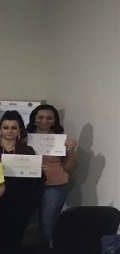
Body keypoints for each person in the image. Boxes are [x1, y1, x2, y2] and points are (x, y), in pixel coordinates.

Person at [0, 111, 42, 254]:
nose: (9, 131)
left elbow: (35, 179)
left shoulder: (27, 150)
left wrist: (37, 169)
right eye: (5, 127)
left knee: (15, 235)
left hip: (20, 199)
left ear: (19, 130)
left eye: (13, 128)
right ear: (0, 128)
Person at [26, 105, 77, 246]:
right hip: (29, 185)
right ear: (34, 119)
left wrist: (71, 150)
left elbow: (70, 168)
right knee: (26, 221)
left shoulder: (62, 141)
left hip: (54, 185)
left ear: (54, 121)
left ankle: (44, 252)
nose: (44, 121)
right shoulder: (24, 138)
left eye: (49, 118)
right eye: (40, 117)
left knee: (47, 224)